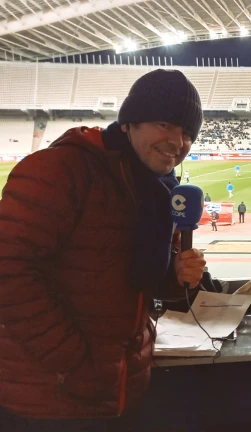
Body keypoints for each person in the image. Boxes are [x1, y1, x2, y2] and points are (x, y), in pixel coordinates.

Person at [0, 69, 207, 429]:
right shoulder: (62, 168)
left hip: (118, 389)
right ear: (129, 123)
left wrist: (175, 274)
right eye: (164, 124)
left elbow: (138, 280)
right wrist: (74, 362)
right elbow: (8, 270)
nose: (178, 141)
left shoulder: (157, 188)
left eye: (188, 133)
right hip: (51, 399)